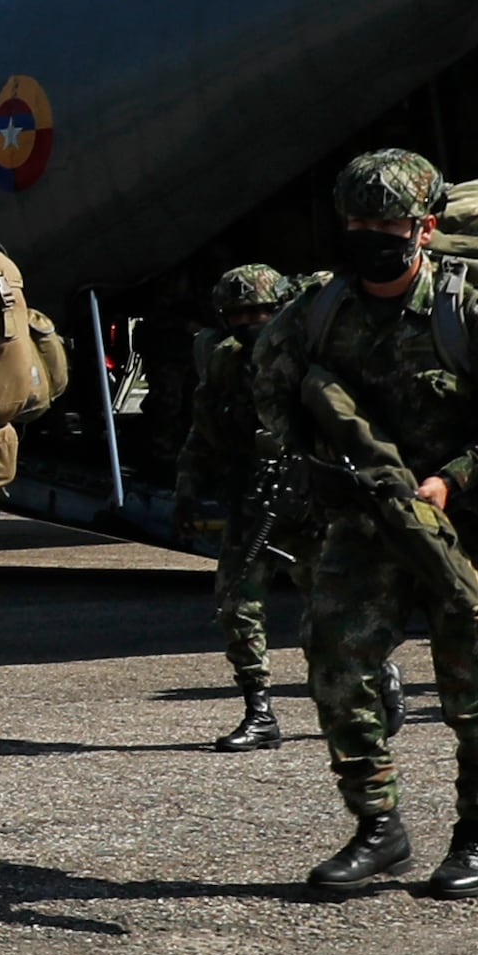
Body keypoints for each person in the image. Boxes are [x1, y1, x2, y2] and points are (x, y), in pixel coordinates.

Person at [248, 150, 478, 898]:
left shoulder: (475, 316)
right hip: (364, 525)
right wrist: (322, 462)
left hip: (466, 529)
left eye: (388, 222)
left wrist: (451, 479)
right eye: (359, 222)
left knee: (474, 687)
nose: (372, 235)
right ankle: (378, 826)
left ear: (426, 226)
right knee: (336, 665)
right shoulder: (315, 316)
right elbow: (270, 403)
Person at [173, 263, 298, 750]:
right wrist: (186, 491)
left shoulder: (309, 361)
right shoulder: (224, 362)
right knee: (237, 604)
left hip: (315, 505)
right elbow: (202, 431)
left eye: (262, 311)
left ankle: (378, 677)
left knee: (340, 608)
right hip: (252, 500)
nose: (251, 321)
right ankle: (259, 709)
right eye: (239, 313)